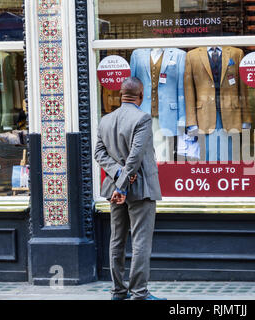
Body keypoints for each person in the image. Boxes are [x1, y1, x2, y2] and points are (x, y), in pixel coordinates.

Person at [94, 77, 164, 300]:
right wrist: (123, 185)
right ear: (141, 96)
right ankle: (139, 293)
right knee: (141, 240)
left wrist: (116, 176)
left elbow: (99, 154)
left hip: (114, 188)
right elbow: (134, 158)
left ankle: (118, 291)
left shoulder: (106, 120)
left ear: (120, 95)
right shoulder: (142, 118)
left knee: (117, 239)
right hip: (139, 189)